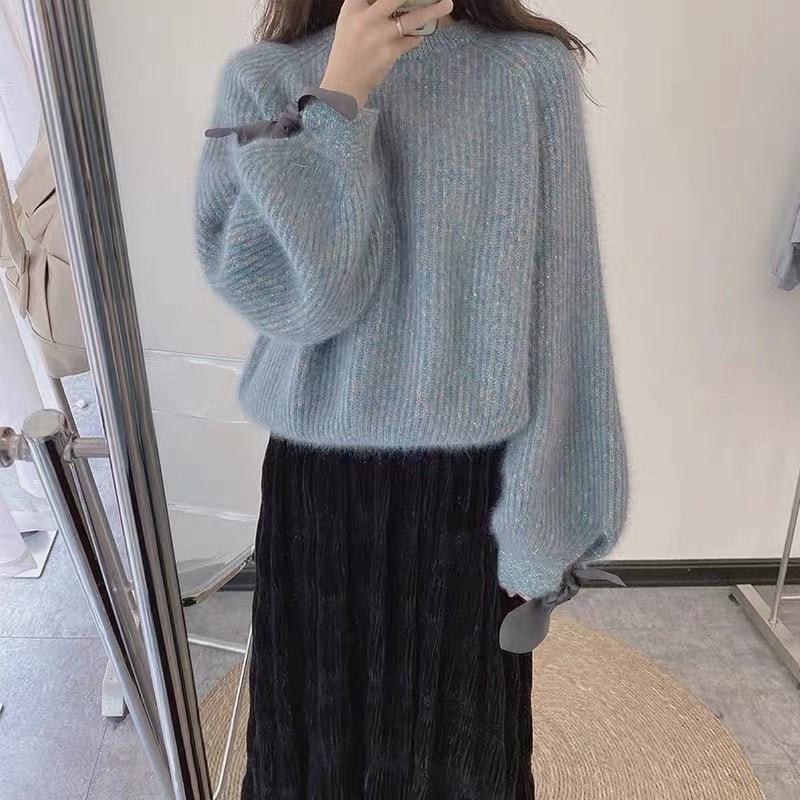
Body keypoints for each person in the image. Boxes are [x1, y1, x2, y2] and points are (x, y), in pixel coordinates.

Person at [194, 0, 630, 797]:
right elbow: (298, 303)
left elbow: (564, 311)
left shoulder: (528, 74)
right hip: (317, 491)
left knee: (458, 760)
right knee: (315, 755)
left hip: (470, 495)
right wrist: (337, 103)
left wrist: (542, 517)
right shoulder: (265, 80)